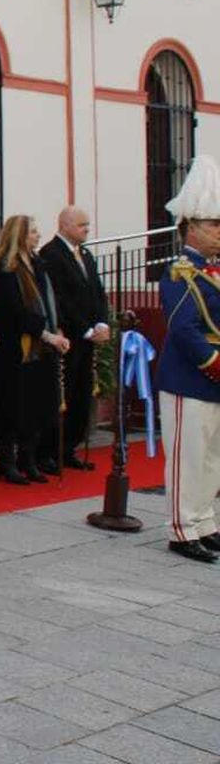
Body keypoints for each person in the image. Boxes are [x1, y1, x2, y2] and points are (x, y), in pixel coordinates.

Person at [154, 155, 220, 563]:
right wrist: (214, 362)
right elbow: (184, 329)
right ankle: (182, 528)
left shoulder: (212, 271)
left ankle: (205, 521)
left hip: (212, 380)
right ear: (190, 228)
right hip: (189, 377)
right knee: (187, 457)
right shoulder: (178, 273)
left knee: (212, 457)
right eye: (213, 225)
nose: (218, 232)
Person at [0, 216, 70, 485]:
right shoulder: (6, 269)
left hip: (38, 349)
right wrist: (44, 333)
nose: (38, 235)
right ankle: (6, 461)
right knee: (12, 406)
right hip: (15, 349)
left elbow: (48, 301)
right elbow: (15, 312)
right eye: (33, 232)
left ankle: (28, 458)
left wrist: (55, 329)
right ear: (20, 235)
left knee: (35, 407)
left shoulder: (37, 264)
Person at [38, 206, 112, 472]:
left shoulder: (86, 255)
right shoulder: (51, 254)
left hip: (88, 338)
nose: (86, 230)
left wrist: (101, 322)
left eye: (87, 225)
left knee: (81, 395)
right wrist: (84, 328)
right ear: (65, 225)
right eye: (81, 225)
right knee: (61, 395)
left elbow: (98, 293)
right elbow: (60, 300)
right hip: (67, 336)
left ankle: (69, 447)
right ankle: (48, 451)